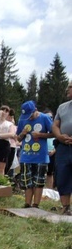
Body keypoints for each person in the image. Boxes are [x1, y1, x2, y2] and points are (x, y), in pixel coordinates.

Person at [16, 100, 53, 209]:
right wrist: (22, 133)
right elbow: (18, 138)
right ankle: (27, 204)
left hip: (41, 156)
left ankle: (36, 205)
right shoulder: (22, 119)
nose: (29, 118)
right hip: (26, 156)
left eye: (30, 115)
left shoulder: (44, 118)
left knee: (39, 181)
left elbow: (54, 133)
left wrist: (40, 135)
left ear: (35, 110)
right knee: (27, 182)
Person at [52, 81, 72, 215]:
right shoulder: (62, 107)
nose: (68, 90)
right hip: (63, 147)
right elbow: (55, 125)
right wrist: (59, 136)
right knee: (62, 176)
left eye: (70, 88)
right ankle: (65, 207)